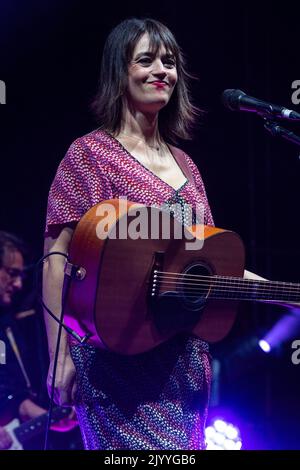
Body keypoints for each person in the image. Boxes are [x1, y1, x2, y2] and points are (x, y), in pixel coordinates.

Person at [43, 18, 268, 450]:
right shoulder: (89, 156)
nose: (161, 70)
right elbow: (57, 258)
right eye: (145, 60)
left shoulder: (188, 167)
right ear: (120, 73)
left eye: (169, 62)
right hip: (115, 364)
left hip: (184, 370)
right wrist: (59, 354)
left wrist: (284, 293)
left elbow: (212, 264)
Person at [0, 231, 78, 450]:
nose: (17, 284)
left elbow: (6, 383)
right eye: (11, 273)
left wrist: (44, 415)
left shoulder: (7, 325)